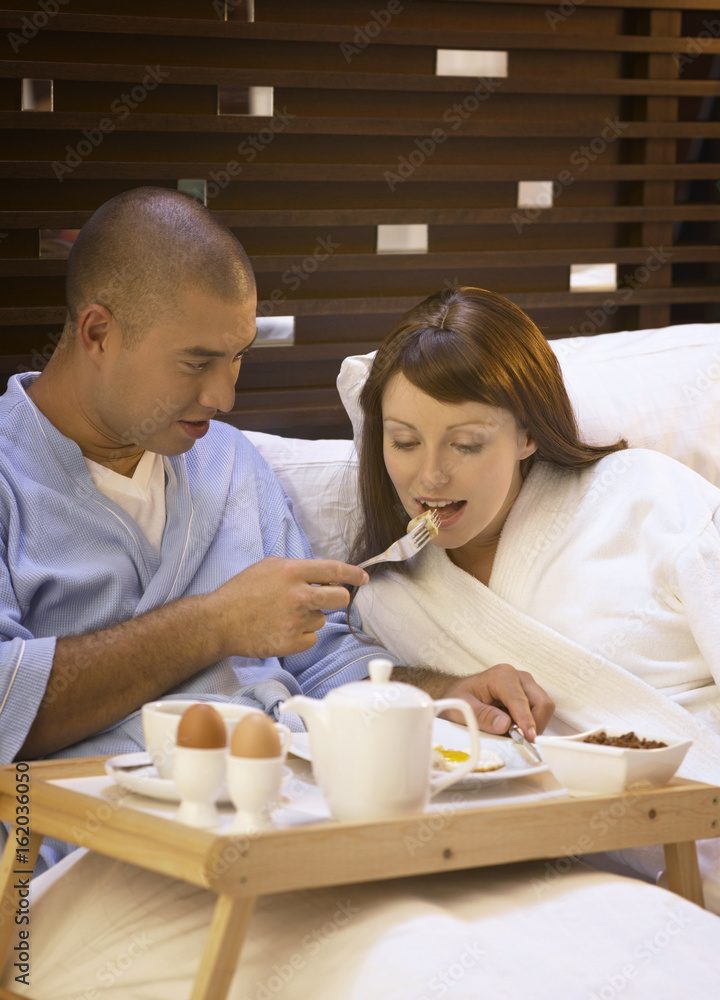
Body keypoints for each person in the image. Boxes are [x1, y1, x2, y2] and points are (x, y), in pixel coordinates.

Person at [0, 191, 551, 874]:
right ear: (98, 333)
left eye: (238, 358)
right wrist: (214, 624)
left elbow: (319, 655)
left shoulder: (229, 462)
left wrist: (438, 696)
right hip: (111, 850)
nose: (224, 396)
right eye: (197, 362)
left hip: (298, 818)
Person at [349, 285, 720, 923]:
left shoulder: (645, 498)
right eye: (404, 442)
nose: (430, 476)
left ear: (528, 433)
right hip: (615, 881)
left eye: (466, 444)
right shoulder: (388, 602)